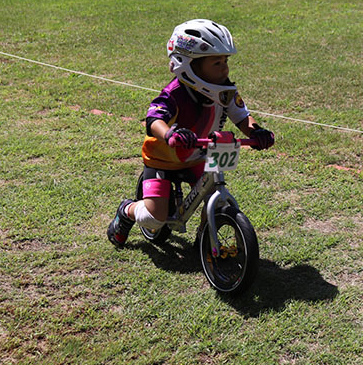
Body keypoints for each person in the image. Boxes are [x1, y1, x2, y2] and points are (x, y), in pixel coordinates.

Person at [107, 19, 275, 247]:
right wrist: (170, 134)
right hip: (163, 160)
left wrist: (258, 132)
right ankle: (127, 210)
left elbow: (242, 116)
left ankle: (205, 239)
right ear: (190, 65)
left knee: (216, 199)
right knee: (155, 218)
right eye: (217, 62)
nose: (224, 68)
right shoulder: (174, 94)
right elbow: (154, 119)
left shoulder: (225, 91)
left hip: (200, 156)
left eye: (225, 61)